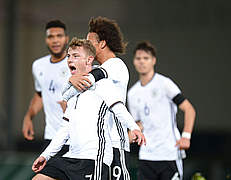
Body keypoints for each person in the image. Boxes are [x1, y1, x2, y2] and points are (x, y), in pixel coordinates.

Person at [32, 37, 145, 180]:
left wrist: (134, 127)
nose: (69, 60)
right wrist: (45, 155)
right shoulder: (73, 91)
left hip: (94, 158)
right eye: (68, 56)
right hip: (71, 156)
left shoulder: (103, 84)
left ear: (89, 60)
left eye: (75, 56)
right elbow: (64, 128)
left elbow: (118, 108)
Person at [68, 16, 141, 180]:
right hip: (98, 146)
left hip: (116, 142)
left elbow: (91, 77)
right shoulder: (98, 67)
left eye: (90, 42)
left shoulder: (116, 65)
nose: (86, 46)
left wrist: (74, 79)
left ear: (102, 43)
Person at [127, 41, 196, 180]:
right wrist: (128, 136)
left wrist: (186, 136)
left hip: (168, 153)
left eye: (146, 58)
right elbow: (139, 124)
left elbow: (189, 109)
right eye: (138, 58)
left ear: (153, 61)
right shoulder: (132, 93)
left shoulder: (165, 84)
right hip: (146, 155)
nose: (142, 62)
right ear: (134, 62)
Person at [22, 19, 70, 155]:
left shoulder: (75, 63)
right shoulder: (38, 65)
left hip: (75, 139)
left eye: (59, 36)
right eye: (51, 36)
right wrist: (28, 116)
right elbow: (40, 94)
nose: (55, 40)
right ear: (46, 40)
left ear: (66, 39)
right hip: (51, 138)